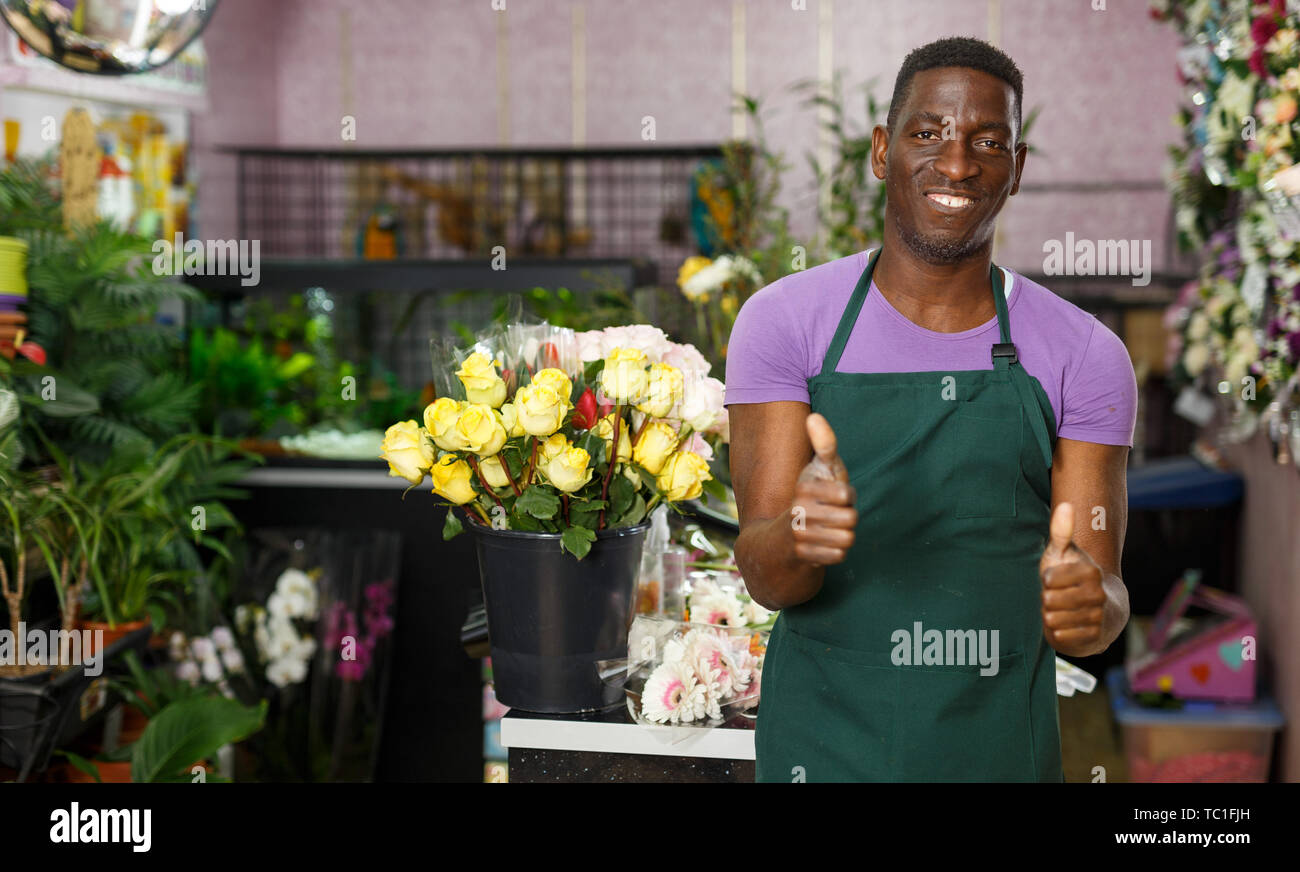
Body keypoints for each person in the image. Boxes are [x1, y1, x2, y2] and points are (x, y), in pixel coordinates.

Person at [725, 36, 1136, 782]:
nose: (956, 164)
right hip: (823, 745)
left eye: (988, 142)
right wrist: (797, 535)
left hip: (999, 749)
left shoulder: (1087, 353)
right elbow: (766, 576)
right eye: (928, 134)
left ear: (1016, 171)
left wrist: (1092, 607)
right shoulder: (783, 322)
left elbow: (1100, 600)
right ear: (883, 152)